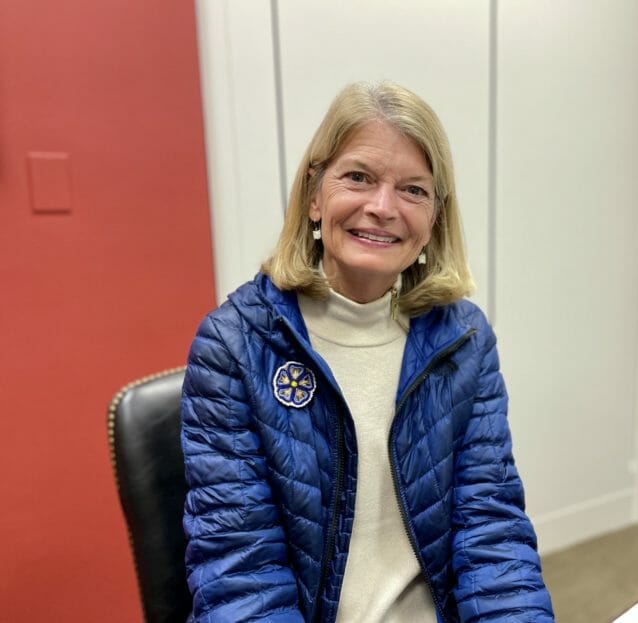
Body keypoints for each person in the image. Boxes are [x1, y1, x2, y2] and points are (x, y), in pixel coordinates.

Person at [181, 81, 555, 623]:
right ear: (314, 194)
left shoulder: (463, 339)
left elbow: (491, 528)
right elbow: (241, 573)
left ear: (433, 220)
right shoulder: (234, 344)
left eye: (413, 190)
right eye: (358, 177)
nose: (382, 207)